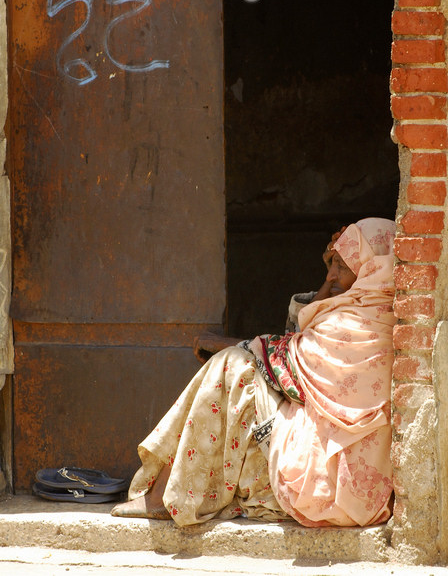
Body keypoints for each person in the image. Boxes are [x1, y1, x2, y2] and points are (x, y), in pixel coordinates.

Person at [112, 217, 396, 528]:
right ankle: (169, 491)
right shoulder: (383, 315)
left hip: (324, 488)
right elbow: (298, 335)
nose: (330, 274)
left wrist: (226, 344)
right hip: (357, 493)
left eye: (340, 265)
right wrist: (332, 277)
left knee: (231, 366)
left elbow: (283, 356)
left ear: (369, 268)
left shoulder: (351, 327)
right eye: (332, 264)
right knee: (241, 371)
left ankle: (163, 497)